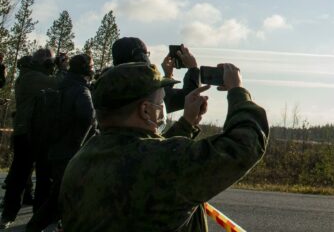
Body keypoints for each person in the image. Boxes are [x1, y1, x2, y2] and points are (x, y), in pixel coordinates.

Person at [60, 56, 269, 231]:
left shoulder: (81, 160)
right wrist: (237, 91)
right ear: (145, 111)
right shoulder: (165, 163)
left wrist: (187, 123)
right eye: (160, 103)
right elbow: (243, 147)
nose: (162, 109)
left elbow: (147, 159)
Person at [25, 54, 96, 232]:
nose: (93, 68)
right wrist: (82, 141)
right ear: (86, 68)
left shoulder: (62, 85)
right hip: (70, 151)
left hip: (54, 146)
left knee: (53, 193)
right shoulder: (81, 89)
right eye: (92, 65)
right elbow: (87, 116)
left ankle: (38, 225)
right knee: (62, 196)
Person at [0, 50, 56, 229]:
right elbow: (58, 83)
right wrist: (62, 68)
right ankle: (13, 214)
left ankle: (11, 213)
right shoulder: (32, 77)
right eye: (50, 62)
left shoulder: (29, 75)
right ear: (44, 62)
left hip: (32, 131)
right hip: (30, 132)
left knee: (23, 174)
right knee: (26, 175)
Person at [111, 37, 200, 112]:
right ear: (141, 56)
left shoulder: (109, 89)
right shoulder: (147, 93)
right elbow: (189, 98)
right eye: (146, 54)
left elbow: (164, 97)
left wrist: (167, 76)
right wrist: (193, 68)